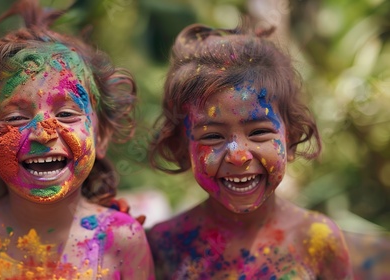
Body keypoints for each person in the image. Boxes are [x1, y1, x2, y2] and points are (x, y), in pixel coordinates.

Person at [0, 0, 154, 279]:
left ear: (102, 135)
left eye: (67, 113)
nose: (43, 132)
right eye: (15, 118)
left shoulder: (122, 239)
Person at [147, 23, 353, 279]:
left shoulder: (317, 240)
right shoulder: (163, 245)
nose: (238, 155)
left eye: (258, 132)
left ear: (290, 139)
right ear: (182, 147)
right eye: (212, 136)